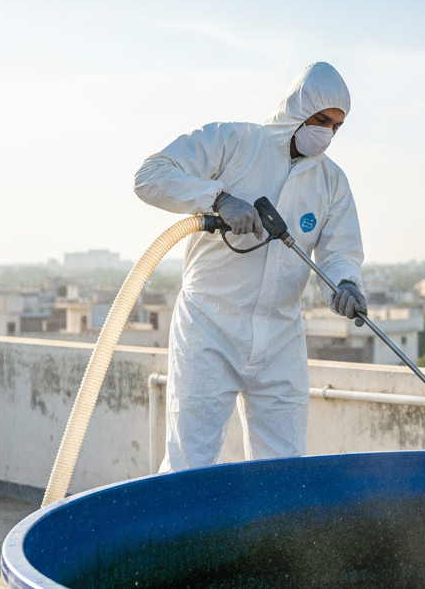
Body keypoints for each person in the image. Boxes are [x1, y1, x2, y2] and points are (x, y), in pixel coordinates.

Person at [134, 62, 367, 471]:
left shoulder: (331, 181)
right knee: (191, 461)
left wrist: (346, 283)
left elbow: (340, 251)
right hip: (210, 328)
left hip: (280, 337)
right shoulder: (234, 142)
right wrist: (217, 199)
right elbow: (150, 176)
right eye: (321, 121)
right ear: (298, 109)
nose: (328, 134)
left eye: (337, 126)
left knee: (283, 468)